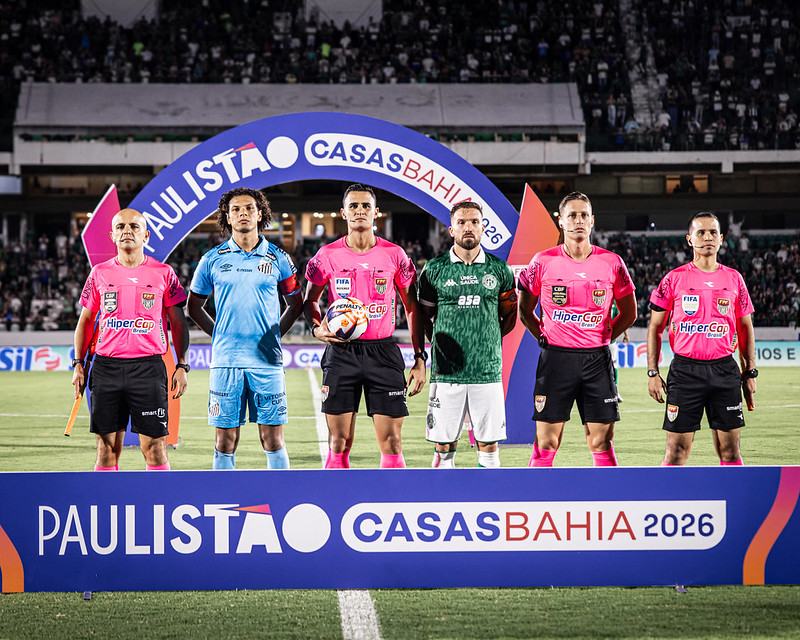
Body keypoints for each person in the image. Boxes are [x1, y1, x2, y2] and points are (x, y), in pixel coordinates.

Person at [303, 183, 426, 469]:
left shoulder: (396, 255)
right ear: (343, 212)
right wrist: (317, 328)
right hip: (341, 353)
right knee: (339, 442)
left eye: (366, 206)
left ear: (376, 213)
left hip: (383, 353)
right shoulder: (326, 255)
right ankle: (338, 502)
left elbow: (412, 307)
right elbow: (310, 300)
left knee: (393, 443)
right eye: (354, 206)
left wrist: (420, 359)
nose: (360, 211)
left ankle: (393, 504)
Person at [517, 192, 637, 467]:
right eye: (572, 215)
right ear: (561, 222)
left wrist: (604, 337)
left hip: (597, 360)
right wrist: (544, 338)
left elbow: (630, 313)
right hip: (556, 360)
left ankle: (606, 504)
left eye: (584, 215)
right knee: (546, 442)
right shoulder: (542, 261)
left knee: (601, 442)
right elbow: (525, 310)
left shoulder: (612, 262)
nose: (578, 220)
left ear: (592, 221)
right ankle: (536, 502)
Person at [188, 187, 302, 470]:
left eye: (249, 208)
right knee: (225, 440)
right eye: (236, 209)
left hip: (267, 362)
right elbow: (193, 306)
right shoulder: (212, 259)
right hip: (226, 361)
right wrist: (220, 335)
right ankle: (224, 499)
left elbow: (296, 303)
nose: (243, 213)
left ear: (260, 213)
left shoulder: (279, 258)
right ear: (227, 217)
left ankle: (280, 497)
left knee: (272, 438)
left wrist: (273, 338)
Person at [72, 209, 189, 471]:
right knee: (106, 451)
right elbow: (86, 322)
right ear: (112, 235)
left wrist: (181, 365)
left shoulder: (164, 273)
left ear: (145, 235)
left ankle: (158, 507)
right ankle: (106, 506)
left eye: (134, 227)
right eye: (121, 226)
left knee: (156, 450)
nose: (127, 231)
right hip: (106, 368)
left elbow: (178, 322)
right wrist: (78, 363)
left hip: (148, 368)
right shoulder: (99, 273)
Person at [647, 212, 756, 466]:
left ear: (721, 239)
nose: (707, 237)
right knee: (675, 453)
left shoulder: (734, 279)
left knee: (730, 452)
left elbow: (745, 328)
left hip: (724, 370)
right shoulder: (673, 279)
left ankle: (734, 504)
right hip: (685, 371)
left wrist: (749, 373)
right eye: (700, 233)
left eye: (712, 233)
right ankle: (667, 503)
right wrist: (652, 373)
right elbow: (655, 328)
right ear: (689, 239)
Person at [418, 201, 517, 468]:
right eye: (461, 222)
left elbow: (510, 316)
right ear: (451, 229)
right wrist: (440, 342)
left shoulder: (500, 269)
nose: (468, 227)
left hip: (487, 370)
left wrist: (489, 339)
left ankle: (488, 501)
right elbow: (423, 318)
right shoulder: (434, 269)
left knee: (489, 446)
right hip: (447, 372)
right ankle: (442, 501)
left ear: (483, 227)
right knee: (444, 447)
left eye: (474, 221)